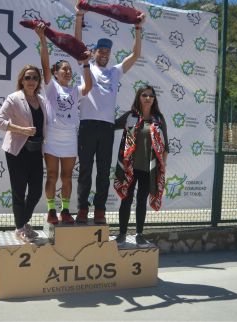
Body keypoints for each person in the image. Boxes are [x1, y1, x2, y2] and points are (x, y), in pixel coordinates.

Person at [74, 3, 146, 224]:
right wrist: (79, 16)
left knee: (103, 172)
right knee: (85, 169)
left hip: (106, 128)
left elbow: (135, 54)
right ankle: (82, 209)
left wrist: (137, 28)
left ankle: (100, 210)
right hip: (87, 125)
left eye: (107, 52)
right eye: (100, 51)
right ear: (94, 52)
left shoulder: (115, 71)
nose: (104, 55)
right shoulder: (86, 65)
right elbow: (77, 43)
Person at [34, 23, 92, 225]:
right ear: (56, 73)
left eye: (69, 69)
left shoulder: (75, 90)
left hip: (69, 139)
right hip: (51, 137)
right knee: (51, 175)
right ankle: (51, 211)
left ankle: (65, 210)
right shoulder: (50, 87)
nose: (67, 72)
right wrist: (42, 38)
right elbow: (44, 63)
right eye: (64, 69)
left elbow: (89, 85)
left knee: (67, 177)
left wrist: (85, 63)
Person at [0, 65, 47, 243]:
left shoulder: (42, 100)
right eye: (28, 77)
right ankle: (20, 227)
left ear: (39, 81)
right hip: (17, 151)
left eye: (35, 78)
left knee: (37, 191)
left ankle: (22, 222)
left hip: (36, 151)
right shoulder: (14, 98)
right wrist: (22, 130)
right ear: (22, 80)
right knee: (19, 191)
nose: (31, 81)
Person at [113, 85, 169, 244]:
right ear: (139, 97)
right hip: (130, 167)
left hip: (148, 168)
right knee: (126, 199)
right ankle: (122, 233)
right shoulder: (130, 116)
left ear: (154, 99)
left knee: (141, 200)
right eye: (144, 95)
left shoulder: (158, 118)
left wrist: (163, 165)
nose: (148, 98)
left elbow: (166, 144)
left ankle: (139, 233)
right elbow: (111, 125)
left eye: (151, 96)